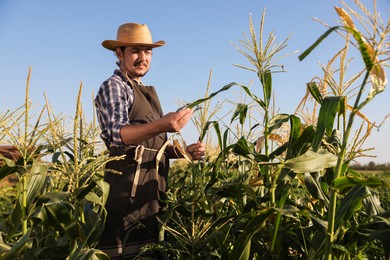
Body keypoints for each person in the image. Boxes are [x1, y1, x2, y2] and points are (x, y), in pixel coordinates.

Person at [94, 22, 205, 259]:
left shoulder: (146, 92)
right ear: (119, 53)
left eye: (147, 51)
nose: (142, 57)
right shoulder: (114, 87)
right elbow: (118, 134)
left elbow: (152, 146)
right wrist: (164, 124)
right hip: (125, 197)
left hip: (152, 197)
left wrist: (183, 152)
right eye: (135, 50)